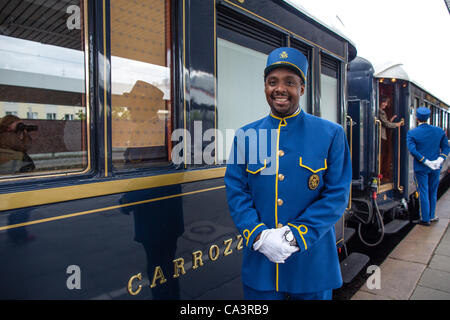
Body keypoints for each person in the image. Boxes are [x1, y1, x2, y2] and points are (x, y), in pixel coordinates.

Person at [224, 47, 352, 300]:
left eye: (289, 83)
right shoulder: (247, 135)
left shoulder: (330, 133)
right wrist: (257, 235)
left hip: (312, 265)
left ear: (301, 89)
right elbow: (237, 191)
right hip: (262, 266)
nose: (279, 89)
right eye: (273, 82)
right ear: (265, 88)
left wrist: (296, 235)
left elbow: (337, 194)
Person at [407, 107, 449, 226]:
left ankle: (425, 219)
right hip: (436, 167)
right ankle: (432, 215)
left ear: (417, 118)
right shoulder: (439, 131)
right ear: (429, 118)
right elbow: (446, 147)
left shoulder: (412, 133)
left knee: (423, 192)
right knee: (433, 191)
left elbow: (412, 150)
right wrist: (440, 159)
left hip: (421, 168)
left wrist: (425, 161)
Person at [378, 96, 402, 182]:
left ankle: (381, 175)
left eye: (387, 103)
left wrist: (390, 121)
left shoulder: (380, 111)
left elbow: (386, 123)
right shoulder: (380, 111)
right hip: (381, 136)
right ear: (380, 101)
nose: (385, 104)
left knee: (382, 156)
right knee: (381, 156)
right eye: (384, 102)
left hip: (381, 136)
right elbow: (385, 124)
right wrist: (397, 124)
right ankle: (380, 176)